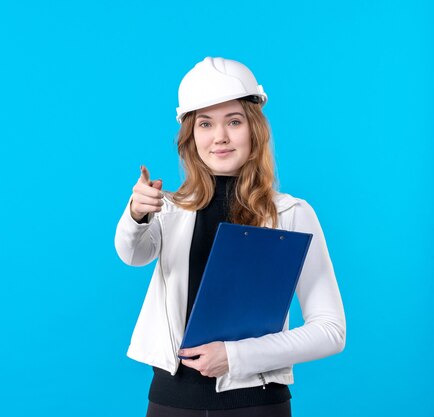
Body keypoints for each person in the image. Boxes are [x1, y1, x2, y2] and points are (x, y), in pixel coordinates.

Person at [114, 57, 346, 417]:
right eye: (205, 124)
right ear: (190, 136)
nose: (219, 136)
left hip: (256, 404)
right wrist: (136, 213)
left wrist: (236, 357)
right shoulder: (168, 209)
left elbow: (331, 330)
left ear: (255, 129)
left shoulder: (291, 214)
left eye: (234, 122)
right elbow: (133, 253)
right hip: (170, 404)